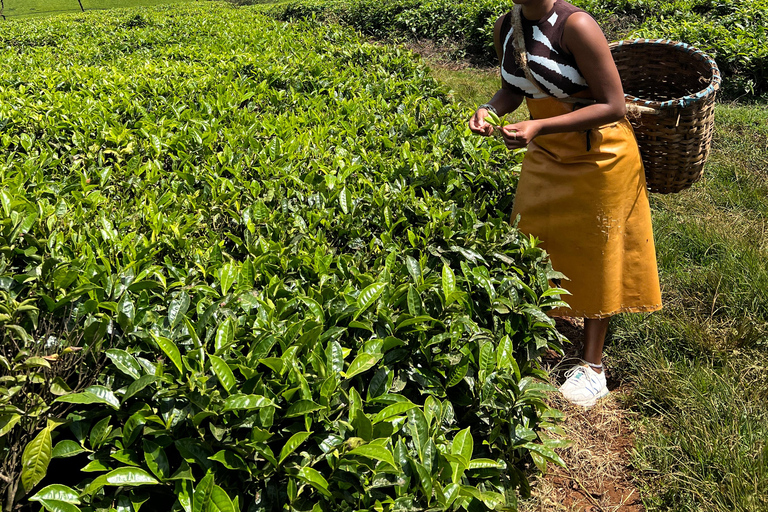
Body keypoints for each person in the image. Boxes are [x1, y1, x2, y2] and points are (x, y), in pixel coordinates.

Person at [469, 0, 662, 407]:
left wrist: (540, 125)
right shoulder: (507, 25)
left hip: (600, 154)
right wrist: (488, 110)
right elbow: (513, 87)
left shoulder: (577, 26)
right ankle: (543, 331)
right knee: (534, 240)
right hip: (546, 152)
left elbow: (613, 104)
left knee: (598, 251)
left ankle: (593, 367)